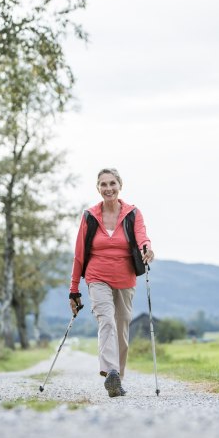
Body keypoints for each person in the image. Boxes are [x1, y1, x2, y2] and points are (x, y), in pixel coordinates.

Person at [69, 168, 154, 398]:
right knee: (106, 321)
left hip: (125, 278)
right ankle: (111, 372)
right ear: (98, 188)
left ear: (120, 185)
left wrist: (147, 248)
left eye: (112, 183)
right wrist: (74, 289)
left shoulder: (132, 213)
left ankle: (118, 380)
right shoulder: (89, 216)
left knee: (122, 327)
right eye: (103, 184)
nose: (108, 188)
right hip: (97, 277)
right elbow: (79, 255)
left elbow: (142, 236)